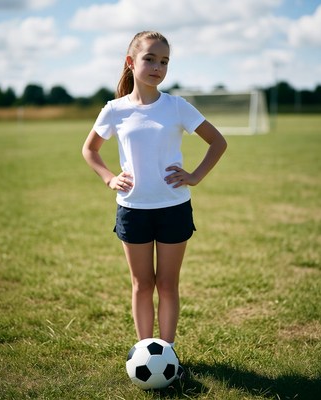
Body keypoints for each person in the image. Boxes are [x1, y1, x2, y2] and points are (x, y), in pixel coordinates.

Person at [82, 31, 227, 373]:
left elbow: (217, 142)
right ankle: (144, 349)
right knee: (142, 284)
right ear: (131, 63)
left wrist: (195, 176)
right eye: (150, 59)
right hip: (133, 210)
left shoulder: (177, 106)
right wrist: (108, 177)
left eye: (164, 61)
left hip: (174, 207)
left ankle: (169, 352)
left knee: (167, 284)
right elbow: (89, 149)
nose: (158, 67)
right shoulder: (114, 110)